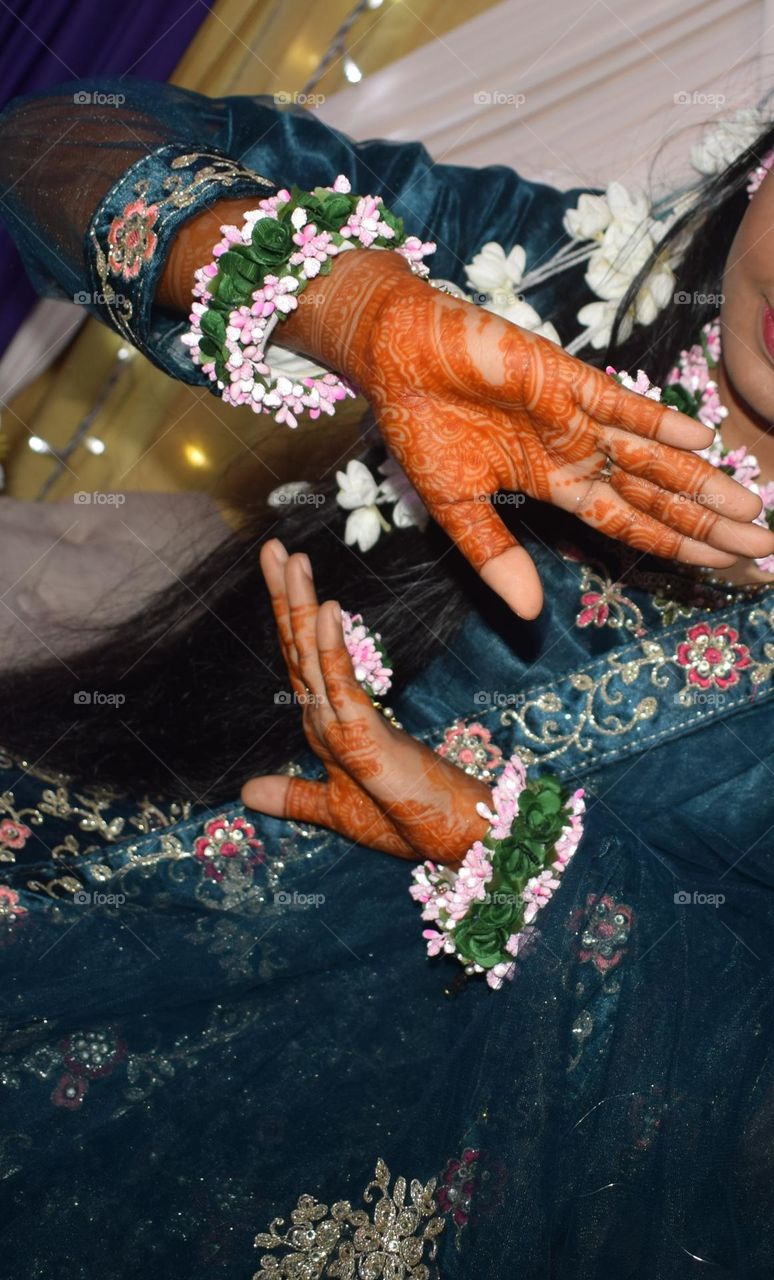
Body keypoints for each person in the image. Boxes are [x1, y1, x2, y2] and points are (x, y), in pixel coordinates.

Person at [0, 77, 772, 1279]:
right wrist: (349, 308)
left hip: (407, 1108)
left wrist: (499, 847)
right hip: (140, 796)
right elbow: (48, 139)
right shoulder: (562, 280)